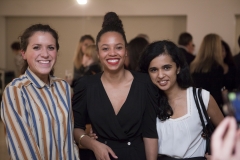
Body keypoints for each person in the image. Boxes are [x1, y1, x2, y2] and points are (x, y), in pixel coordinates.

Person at [72, 12, 158, 160]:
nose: (112, 53)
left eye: (118, 47)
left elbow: (150, 134)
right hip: (98, 155)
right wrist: (94, 145)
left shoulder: (145, 83)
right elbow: (76, 129)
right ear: (98, 53)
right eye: (105, 49)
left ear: (126, 52)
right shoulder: (86, 85)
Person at [1, 24, 79, 160]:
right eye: (36, 47)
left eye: (51, 47)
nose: (45, 54)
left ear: (57, 52)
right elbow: (23, 152)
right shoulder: (16, 91)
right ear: (23, 53)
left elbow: (69, 139)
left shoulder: (63, 87)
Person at [139, 40, 224, 159]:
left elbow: (229, 134)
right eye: (154, 70)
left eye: (166, 67)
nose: (160, 75)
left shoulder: (201, 97)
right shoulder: (147, 101)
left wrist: (221, 156)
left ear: (178, 68)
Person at [190, 34, 225, 109]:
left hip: (194, 106)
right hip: (210, 108)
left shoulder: (193, 66)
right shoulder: (217, 67)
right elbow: (216, 95)